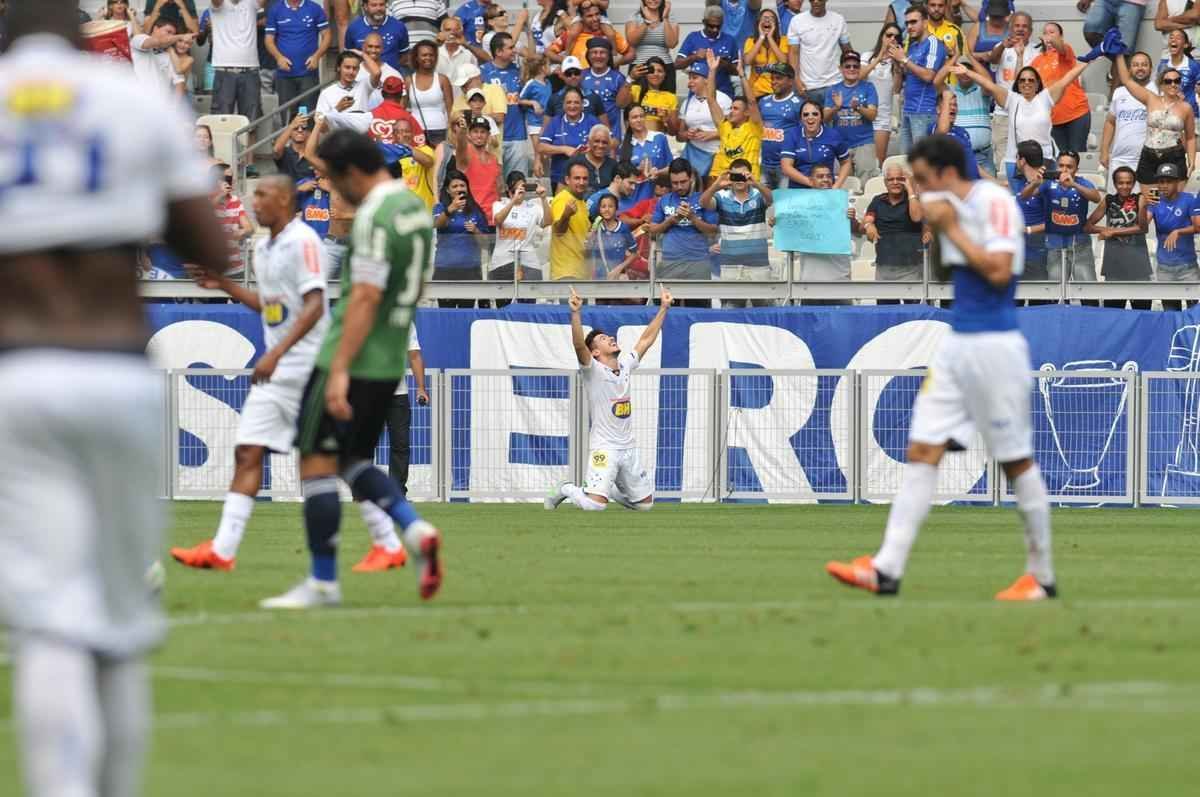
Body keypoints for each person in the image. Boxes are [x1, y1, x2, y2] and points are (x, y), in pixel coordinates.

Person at [0, 4, 229, 795]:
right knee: (118, 626)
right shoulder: (130, 101)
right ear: (78, 35)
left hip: (18, 376)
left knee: (50, 618)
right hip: (115, 368)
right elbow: (209, 242)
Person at [826, 134, 1057, 602]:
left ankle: (1042, 576)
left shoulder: (994, 204)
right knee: (922, 448)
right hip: (957, 344)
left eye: (923, 180)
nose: (918, 190)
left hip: (994, 345)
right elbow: (957, 275)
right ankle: (887, 567)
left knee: (1014, 460)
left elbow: (997, 272)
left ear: (947, 173)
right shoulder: (947, 207)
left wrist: (951, 227)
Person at [264, 129, 441, 609]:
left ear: (355, 173)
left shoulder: (374, 219)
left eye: (335, 181)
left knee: (315, 460)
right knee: (350, 459)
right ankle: (413, 529)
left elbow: (362, 296)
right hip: (389, 360)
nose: (336, 194)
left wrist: (339, 368)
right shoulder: (416, 213)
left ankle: (323, 581)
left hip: (353, 354)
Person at [170, 177, 345, 571]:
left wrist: (277, 352)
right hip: (278, 367)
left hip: (309, 366)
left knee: (332, 464)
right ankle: (223, 550)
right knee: (248, 451)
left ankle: (389, 537)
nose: (255, 204)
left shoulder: (304, 241)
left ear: (284, 199)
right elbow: (274, 309)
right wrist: (224, 285)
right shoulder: (263, 248)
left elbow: (315, 305)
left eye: (262, 196)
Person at [545, 285, 672, 512]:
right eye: (604, 339)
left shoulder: (625, 366)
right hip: (605, 448)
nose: (611, 338)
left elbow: (645, 340)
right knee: (594, 507)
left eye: (609, 336)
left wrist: (663, 307)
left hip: (628, 448)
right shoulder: (592, 370)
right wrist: (575, 313)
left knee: (645, 507)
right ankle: (566, 488)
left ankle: (609, 489)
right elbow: (578, 345)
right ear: (595, 352)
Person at [957, 52, 1093, 183]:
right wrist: (968, 72)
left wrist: (1088, 61)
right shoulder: (1011, 99)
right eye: (1022, 80)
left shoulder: (1045, 97)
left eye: (1030, 80)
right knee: (1020, 203)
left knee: (1043, 203)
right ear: (1018, 84)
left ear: (1037, 83)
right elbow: (989, 85)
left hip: (1044, 160)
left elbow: (1066, 79)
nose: (1026, 83)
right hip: (1017, 162)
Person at [700, 159, 774, 306]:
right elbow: (703, 203)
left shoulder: (759, 195)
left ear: (750, 175)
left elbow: (771, 199)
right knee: (731, 312)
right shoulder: (721, 196)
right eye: (736, 175)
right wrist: (716, 185)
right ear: (730, 176)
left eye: (743, 175)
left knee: (764, 311)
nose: (739, 179)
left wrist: (756, 183)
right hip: (730, 266)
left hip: (758, 265)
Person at [1115, 53, 1197, 185]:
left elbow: (1190, 137)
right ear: (1161, 84)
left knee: (1172, 200)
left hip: (1174, 156)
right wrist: (1118, 55)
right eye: (1168, 81)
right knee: (1151, 201)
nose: (1173, 84)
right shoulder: (1151, 98)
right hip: (1149, 156)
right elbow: (1126, 80)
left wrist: (1191, 160)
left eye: (1177, 81)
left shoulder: (1186, 107)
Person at [1085, 165, 1153, 309]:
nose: (1125, 186)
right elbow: (1088, 226)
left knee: (1142, 312)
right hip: (1114, 263)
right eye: (1120, 183)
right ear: (1115, 184)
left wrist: (1114, 232)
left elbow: (1143, 228)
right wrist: (1107, 229)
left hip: (1138, 262)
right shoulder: (1109, 200)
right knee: (1113, 313)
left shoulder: (1140, 198)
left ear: (1134, 184)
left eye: (1129, 183)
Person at [790, 162, 859, 302]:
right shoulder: (800, 205)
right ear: (810, 180)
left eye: (828, 176)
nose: (825, 179)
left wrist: (851, 220)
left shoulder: (845, 202)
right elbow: (791, 233)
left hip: (839, 282)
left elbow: (858, 231)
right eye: (820, 176)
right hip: (809, 284)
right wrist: (778, 224)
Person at [647, 157, 720, 284]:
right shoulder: (663, 200)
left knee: (698, 303)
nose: (679, 186)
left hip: (698, 261)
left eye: (683, 182)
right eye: (674, 183)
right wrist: (671, 220)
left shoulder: (703, 200)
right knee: (667, 303)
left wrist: (692, 218)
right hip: (670, 261)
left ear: (691, 178)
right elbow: (652, 231)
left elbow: (713, 231)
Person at [1039, 151, 1103, 289]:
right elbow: (1027, 195)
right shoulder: (1047, 183)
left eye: (1069, 166)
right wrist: (1036, 180)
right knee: (1056, 293)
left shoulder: (1083, 183)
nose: (1064, 169)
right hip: (1054, 246)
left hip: (1080, 247)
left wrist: (1074, 185)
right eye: (1061, 165)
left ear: (1077, 169)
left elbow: (1096, 197)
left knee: (1088, 293)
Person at [1141, 161, 1200, 309]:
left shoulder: (1188, 199)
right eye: (1161, 182)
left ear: (1177, 182)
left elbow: (1198, 227)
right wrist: (1142, 205)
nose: (1164, 186)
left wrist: (1178, 231)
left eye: (1168, 181)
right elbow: (1142, 227)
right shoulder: (1154, 199)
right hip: (1164, 267)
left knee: (1194, 314)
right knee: (1170, 313)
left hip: (1187, 267)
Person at [863, 165, 925, 302]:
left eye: (900, 179)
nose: (895, 182)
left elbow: (917, 218)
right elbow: (866, 220)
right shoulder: (877, 200)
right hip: (884, 267)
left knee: (912, 316)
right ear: (885, 182)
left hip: (911, 268)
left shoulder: (914, 200)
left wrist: (910, 190)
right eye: (891, 179)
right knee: (886, 315)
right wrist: (869, 225)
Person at [265, 0, 331, 125]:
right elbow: (269, 40)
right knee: (287, 117)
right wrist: (279, 57)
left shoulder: (315, 8)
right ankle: (288, 144)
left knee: (308, 116)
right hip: (284, 74)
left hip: (308, 73)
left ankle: (308, 143)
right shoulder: (275, 9)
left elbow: (327, 35)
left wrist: (317, 56)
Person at [1031, 22, 1092, 154]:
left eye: (1052, 32)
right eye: (1045, 33)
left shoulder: (1065, 51)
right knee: (1060, 159)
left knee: (1077, 156)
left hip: (1076, 114)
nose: (1048, 36)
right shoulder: (1037, 60)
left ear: (1061, 36)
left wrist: (1053, 41)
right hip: (1052, 118)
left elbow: (1060, 48)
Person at [986, 10, 1036, 173]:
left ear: (1031, 30)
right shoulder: (1002, 48)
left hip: (1028, 115)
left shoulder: (1038, 51)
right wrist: (1002, 45)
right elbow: (992, 59)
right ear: (1010, 28)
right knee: (1002, 162)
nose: (1020, 29)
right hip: (1003, 114)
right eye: (1017, 26)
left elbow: (1025, 83)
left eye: (1025, 26)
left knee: (1027, 163)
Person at [895, 5, 947, 155]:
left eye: (913, 22)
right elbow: (908, 72)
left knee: (922, 162)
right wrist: (897, 61)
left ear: (925, 22)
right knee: (905, 162)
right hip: (907, 110)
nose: (909, 27)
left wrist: (904, 60)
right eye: (907, 23)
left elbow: (929, 76)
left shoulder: (933, 43)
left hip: (923, 111)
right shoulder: (913, 45)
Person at [433, 167, 490, 306]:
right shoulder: (440, 208)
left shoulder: (476, 211)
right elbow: (437, 224)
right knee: (446, 316)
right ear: (448, 190)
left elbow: (486, 244)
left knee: (466, 313)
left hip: (470, 270)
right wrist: (450, 209)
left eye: (462, 185)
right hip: (445, 269)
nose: (459, 188)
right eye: (455, 186)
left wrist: (475, 230)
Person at [1102, 51, 1156, 187]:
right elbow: (1110, 122)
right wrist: (1104, 151)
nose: (1140, 68)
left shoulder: (1157, 91)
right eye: (1136, 65)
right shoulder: (1119, 92)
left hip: (1146, 159)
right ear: (1130, 69)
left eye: (1144, 65)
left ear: (1151, 68)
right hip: (1119, 159)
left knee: (1143, 204)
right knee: (1115, 205)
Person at [824, 49, 879, 179]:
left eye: (855, 66)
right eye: (847, 66)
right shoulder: (833, 90)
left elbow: (873, 115)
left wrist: (858, 107)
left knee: (867, 183)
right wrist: (836, 107)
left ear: (860, 68)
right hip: (840, 144)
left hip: (864, 142)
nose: (852, 69)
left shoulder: (868, 87)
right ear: (840, 68)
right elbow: (825, 118)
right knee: (844, 185)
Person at [706, 55, 764, 180]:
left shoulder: (754, 127)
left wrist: (742, 76)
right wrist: (712, 70)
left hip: (747, 180)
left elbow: (752, 102)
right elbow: (711, 99)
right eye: (731, 108)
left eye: (736, 108)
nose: (731, 111)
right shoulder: (724, 126)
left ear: (747, 113)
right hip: (722, 179)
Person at [482, 32, 531, 178]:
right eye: (510, 48)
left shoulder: (519, 72)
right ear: (498, 51)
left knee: (517, 183)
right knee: (492, 184)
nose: (514, 50)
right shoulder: (482, 72)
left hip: (517, 137)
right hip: (492, 137)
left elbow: (538, 61)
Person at [786, 0, 852, 106]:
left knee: (833, 122)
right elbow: (793, 53)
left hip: (834, 84)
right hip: (808, 86)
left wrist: (850, 76)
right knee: (809, 121)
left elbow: (847, 51)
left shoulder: (838, 20)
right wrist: (796, 79)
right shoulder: (797, 21)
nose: (816, 1)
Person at [210, 0, 262, 132]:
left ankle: (249, 154)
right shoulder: (219, 4)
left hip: (251, 71)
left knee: (252, 123)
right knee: (221, 121)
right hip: (224, 70)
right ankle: (222, 153)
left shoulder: (251, 3)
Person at [491, 171, 551, 282]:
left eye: (521, 190)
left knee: (529, 298)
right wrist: (513, 200)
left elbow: (547, 222)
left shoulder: (533, 207)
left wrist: (543, 198)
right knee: (504, 299)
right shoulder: (499, 204)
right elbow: (498, 220)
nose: (519, 193)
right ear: (508, 190)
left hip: (529, 263)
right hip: (502, 261)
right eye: (514, 190)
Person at [676, 60, 731, 182]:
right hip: (692, 153)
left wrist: (711, 135)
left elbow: (734, 132)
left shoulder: (723, 99)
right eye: (689, 78)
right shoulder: (687, 102)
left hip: (716, 153)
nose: (690, 82)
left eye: (694, 78)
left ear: (707, 79)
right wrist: (688, 134)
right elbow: (680, 135)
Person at [540, 85, 601, 189]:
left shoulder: (592, 121)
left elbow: (611, 141)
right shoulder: (556, 121)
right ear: (563, 105)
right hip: (560, 177)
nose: (572, 106)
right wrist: (564, 149)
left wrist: (593, 147)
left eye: (576, 102)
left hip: (586, 179)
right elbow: (541, 147)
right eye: (569, 102)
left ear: (582, 105)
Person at [781, 99, 851, 188]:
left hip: (825, 190)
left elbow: (846, 162)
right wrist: (811, 183)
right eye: (806, 114)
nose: (810, 117)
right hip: (798, 191)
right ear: (801, 119)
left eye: (815, 114)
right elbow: (786, 168)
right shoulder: (792, 134)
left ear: (821, 117)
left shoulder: (833, 135)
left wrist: (836, 186)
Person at [1009, 140, 1051, 289]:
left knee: (1038, 304)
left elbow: (1054, 221)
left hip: (1039, 255)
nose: (1015, 162)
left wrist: (1027, 230)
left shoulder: (1047, 184)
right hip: (1019, 255)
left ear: (1023, 160)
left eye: (1016, 158)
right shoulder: (1023, 184)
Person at [862, 23, 903, 167]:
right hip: (863, 114)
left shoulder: (898, 61)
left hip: (883, 116)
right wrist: (879, 57)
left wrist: (898, 63)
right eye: (889, 35)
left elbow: (896, 90)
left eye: (896, 36)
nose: (892, 39)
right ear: (882, 37)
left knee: (878, 161)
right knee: (860, 159)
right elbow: (860, 76)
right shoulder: (867, 56)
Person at [676, 5, 739, 99]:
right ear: (704, 22)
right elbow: (677, 64)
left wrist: (725, 64)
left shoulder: (730, 40)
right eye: (711, 26)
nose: (715, 29)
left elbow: (737, 71)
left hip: (723, 94)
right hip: (697, 95)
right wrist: (694, 57)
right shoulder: (693, 37)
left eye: (718, 26)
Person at [758, 62, 803, 189]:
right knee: (763, 204)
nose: (774, 82)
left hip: (786, 165)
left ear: (790, 81)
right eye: (772, 78)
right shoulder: (763, 101)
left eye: (779, 78)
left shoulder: (798, 104)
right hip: (765, 163)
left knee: (784, 204)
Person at [618, 104, 672, 202]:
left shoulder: (659, 137)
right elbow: (622, 177)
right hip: (635, 197)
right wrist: (637, 170)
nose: (639, 120)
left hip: (658, 195)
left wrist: (658, 172)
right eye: (634, 117)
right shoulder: (624, 146)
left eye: (641, 116)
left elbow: (671, 167)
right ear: (627, 122)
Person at [550, 160, 594, 279]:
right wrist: (566, 215)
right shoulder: (562, 199)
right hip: (566, 272)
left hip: (580, 272)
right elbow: (559, 231)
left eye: (585, 178)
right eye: (577, 178)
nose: (581, 182)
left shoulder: (582, 203)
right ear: (567, 180)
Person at [581, 35, 631, 140]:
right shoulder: (581, 76)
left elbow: (623, 105)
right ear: (588, 56)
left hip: (611, 134)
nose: (598, 56)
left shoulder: (618, 77)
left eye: (602, 52)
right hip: (585, 134)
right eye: (594, 52)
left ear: (608, 56)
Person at [626, 0, 679, 94]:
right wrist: (647, 21)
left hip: (664, 67)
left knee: (665, 104)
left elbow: (672, 43)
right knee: (636, 102)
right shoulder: (635, 15)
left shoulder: (670, 16)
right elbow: (632, 41)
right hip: (640, 66)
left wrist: (665, 18)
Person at [408, 39, 453, 146]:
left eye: (431, 55)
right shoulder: (409, 80)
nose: (428, 58)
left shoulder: (443, 79)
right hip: (415, 129)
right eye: (424, 55)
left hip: (440, 129)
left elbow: (450, 108)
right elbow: (401, 107)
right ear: (416, 58)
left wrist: (452, 130)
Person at [930, 88, 982, 180]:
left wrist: (995, 182)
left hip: (973, 186)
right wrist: (946, 97)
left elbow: (973, 164)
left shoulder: (962, 132)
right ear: (938, 109)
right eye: (949, 105)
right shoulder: (934, 129)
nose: (953, 108)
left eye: (955, 105)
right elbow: (942, 132)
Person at [130, 16, 190, 96]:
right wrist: (181, 36)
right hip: (139, 100)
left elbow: (179, 82)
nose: (171, 36)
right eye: (168, 32)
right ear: (155, 29)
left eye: (173, 34)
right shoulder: (139, 39)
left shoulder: (169, 55)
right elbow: (157, 42)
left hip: (161, 104)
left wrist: (175, 106)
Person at [345, 0, 410, 69]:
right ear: (365, 6)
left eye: (381, 5)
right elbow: (348, 56)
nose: (378, 8)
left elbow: (404, 55)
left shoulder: (399, 26)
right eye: (374, 5)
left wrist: (391, 71)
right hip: (362, 76)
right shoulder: (354, 28)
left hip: (391, 76)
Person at [588, 194, 641, 278]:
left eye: (610, 206)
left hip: (617, 277)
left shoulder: (623, 228)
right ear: (599, 209)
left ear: (616, 208)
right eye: (603, 206)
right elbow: (588, 249)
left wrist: (619, 269)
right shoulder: (596, 228)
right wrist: (591, 234)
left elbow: (634, 253)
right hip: (598, 279)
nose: (607, 210)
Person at [743, 8, 789, 98]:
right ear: (758, 23)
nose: (767, 20)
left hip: (777, 91)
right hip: (756, 92)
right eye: (764, 18)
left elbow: (784, 62)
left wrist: (770, 38)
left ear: (776, 24)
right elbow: (747, 61)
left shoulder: (784, 40)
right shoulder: (751, 41)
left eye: (771, 18)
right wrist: (761, 37)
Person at [629, 56, 678, 133]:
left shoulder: (671, 97)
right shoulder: (635, 89)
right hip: (636, 140)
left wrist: (667, 120)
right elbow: (620, 104)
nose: (656, 74)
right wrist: (630, 78)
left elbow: (673, 132)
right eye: (652, 71)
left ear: (665, 75)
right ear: (645, 73)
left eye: (660, 71)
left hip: (657, 141)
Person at [1078, 0, 1145, 54]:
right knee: (1091, 32)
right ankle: (1120, 61)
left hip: (1134, 3)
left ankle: (1121, 61)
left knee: (1125, 50)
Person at [436, 15, 478, 90]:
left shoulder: (468, 53)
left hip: (462, 99)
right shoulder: (434, 53)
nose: (452, 33)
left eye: (456, 30)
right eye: (448, 30)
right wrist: (436, 42)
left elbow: (488, 59)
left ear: (461, 31)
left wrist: (465, 44)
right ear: (442, 32)